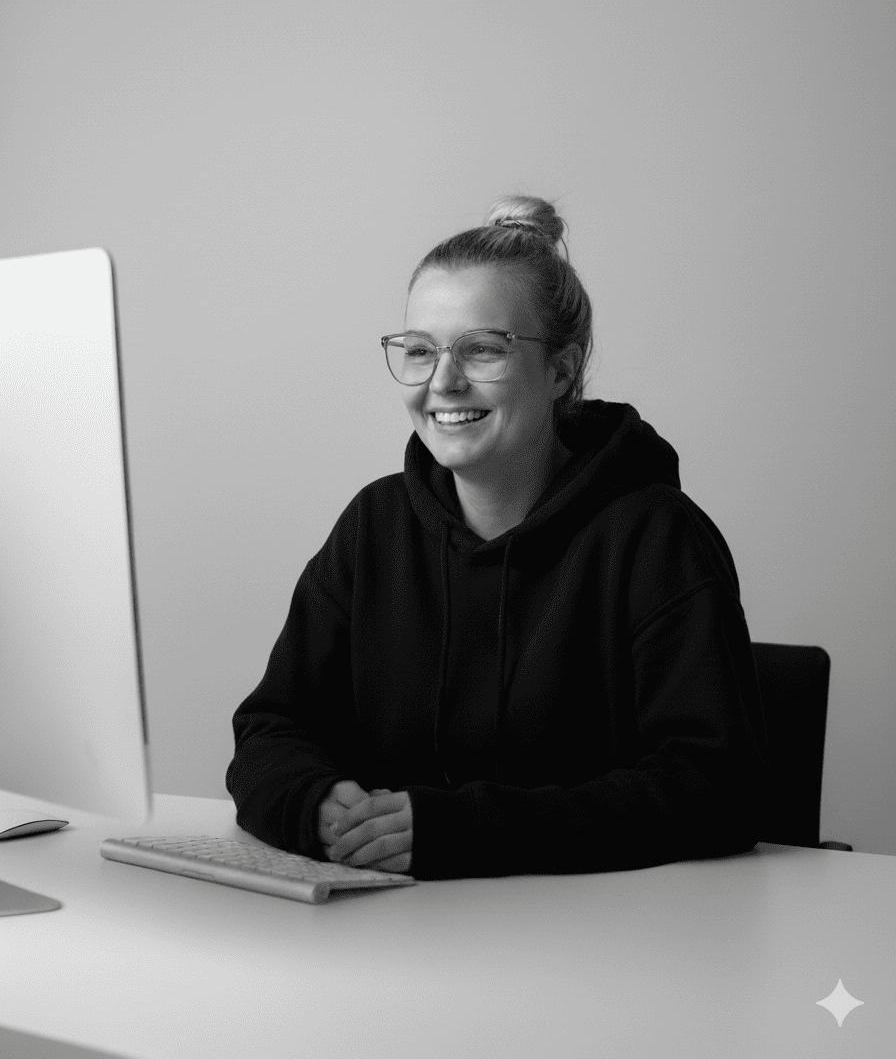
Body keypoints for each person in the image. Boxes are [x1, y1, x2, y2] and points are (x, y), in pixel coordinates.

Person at [225, 195, 772, 881]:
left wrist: (463, 829)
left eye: (482, 349)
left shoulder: (658, 538)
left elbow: (717, 788)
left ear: (563, 371)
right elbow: (271, 730)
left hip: (606, 950)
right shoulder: (372, 529)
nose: (443, 382)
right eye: (420, 351)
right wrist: (315, 804)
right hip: (386, 941)